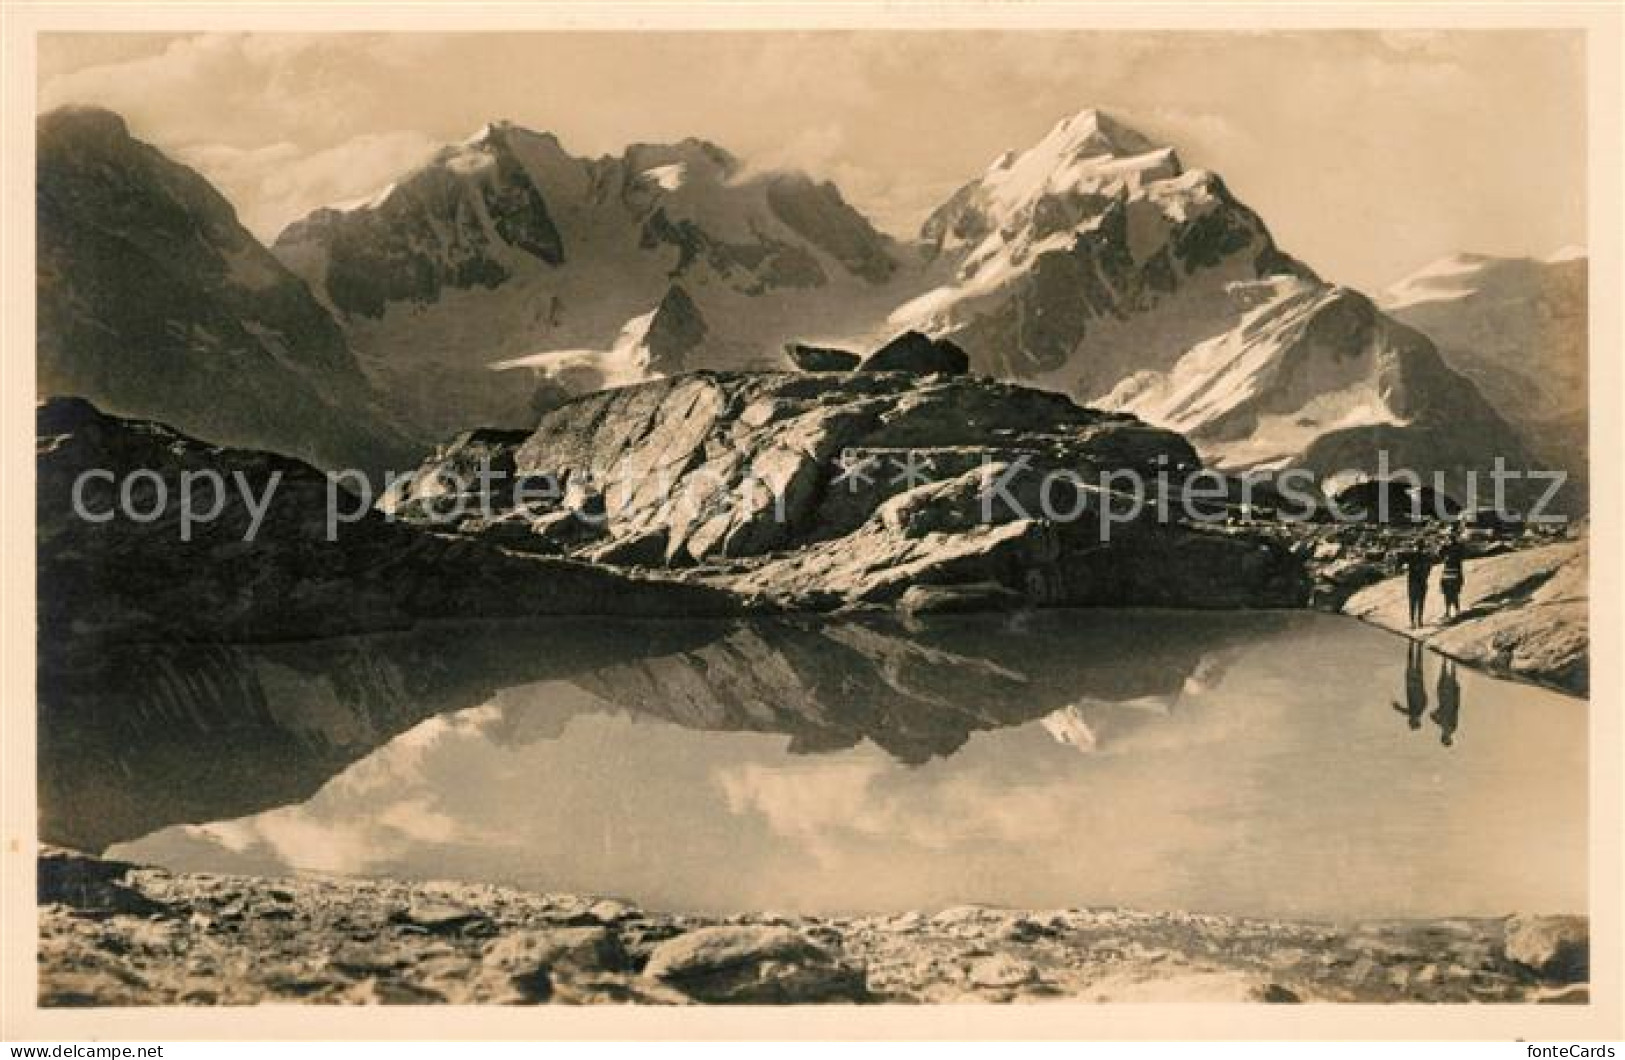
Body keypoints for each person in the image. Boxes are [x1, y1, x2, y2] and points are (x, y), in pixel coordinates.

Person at [1392, 639, 1428, 730]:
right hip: (1412, 685)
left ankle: (1418, 644)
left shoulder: (1422, 709)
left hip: (1417, 683)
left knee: (1417, 663)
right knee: (1412, 663)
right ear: (1416, 721)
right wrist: (1395, 706)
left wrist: (1421, 688)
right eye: (1412, 721)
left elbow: (1425, 697)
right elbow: (1403, 710)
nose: (1410, 720)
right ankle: (1412, 643)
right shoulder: (1414, 712)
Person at [1401, 545, 1434, 628]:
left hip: (1413, 583)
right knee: (1421, 603)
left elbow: (1404, 566)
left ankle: (1412, 623)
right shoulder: (1426, 557)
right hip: (1422, 583)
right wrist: (1425, 576)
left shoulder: (1411, 556)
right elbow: (1429, 568)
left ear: (1416, 547)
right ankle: (1419, 621)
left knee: (1412, 603)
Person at [1431, 657, 1461, 748]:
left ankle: (1444, 658)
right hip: (1450, 700)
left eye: (1445, 738)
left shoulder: (1440, 724)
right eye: (1448, 738)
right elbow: (1456, 710)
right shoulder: (1453, 727)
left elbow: (1432, 714)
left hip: (1443, 699)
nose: (1446, 736)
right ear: (1450, 737)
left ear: (1442, 736)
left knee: (1443, 678)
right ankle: (1453, 660)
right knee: (1451, 679)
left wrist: (1437, 712)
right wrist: (1457, 695)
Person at [1438, 528, 1467, 620]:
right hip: (1451, 572)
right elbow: (1440, 554)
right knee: (1451, 593)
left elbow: (1440, 555)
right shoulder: (1451, 547)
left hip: (1452, 572)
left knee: (1451, 593)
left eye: (1450, 537)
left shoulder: (1454, 547)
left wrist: (1443, 545)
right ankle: (1451, 611)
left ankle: (1452, 611)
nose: (1449, 539)